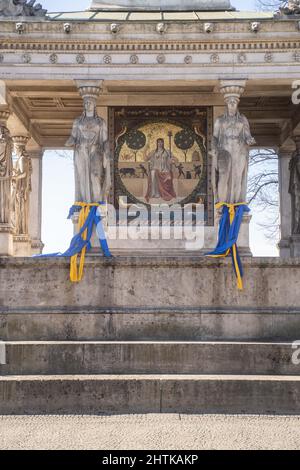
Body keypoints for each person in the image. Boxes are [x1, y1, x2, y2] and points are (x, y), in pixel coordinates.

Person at [66, 95, 111, 203]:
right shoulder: (78, 121)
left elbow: (105, 140)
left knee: (95, 175)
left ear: (94, 105)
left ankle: (97, 203)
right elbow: (73, 136)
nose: (87, 104)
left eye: (90, 102)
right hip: (81, 151)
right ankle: (84, 203)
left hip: (96, 151)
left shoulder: (101, 122)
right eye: (85, 103)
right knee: (82, 177)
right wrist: (70, 142)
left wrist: (107, 153)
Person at [211, 95, 255, 204]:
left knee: (237, 176)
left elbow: (247, 135)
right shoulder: (220, 120)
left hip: (239, 150)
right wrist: (214, 149)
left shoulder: (242, 119)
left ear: (237, 104)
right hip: (224, 151)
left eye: (234, 102)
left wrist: (250, 140)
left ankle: (236, 203)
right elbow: (215, 137)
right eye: (230, 101)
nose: (232, 103)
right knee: (224, 177)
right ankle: (222, 203)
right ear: (226, 104)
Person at [145, 138, 177, 202]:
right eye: (158, 142)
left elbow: (175, 159)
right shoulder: (153, 152)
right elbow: (146, 159)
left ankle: (163, 193)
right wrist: (145, 149)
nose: (160, 144)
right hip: (156, 169)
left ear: (163, 143)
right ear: (156, 143)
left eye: (161, 142)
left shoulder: (167, 152)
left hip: (165, 170)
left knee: (167, 176)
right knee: (153, 172)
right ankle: (154, 194)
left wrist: (172, 161)